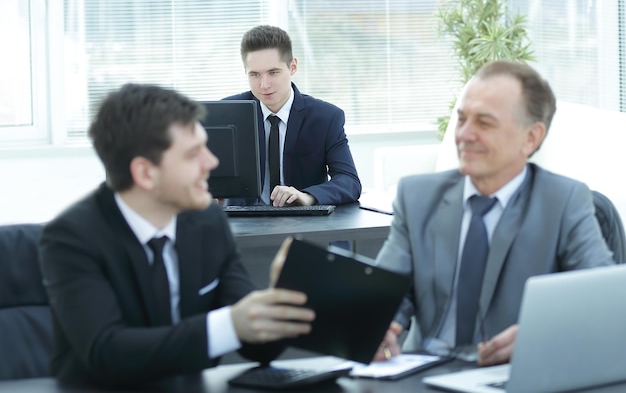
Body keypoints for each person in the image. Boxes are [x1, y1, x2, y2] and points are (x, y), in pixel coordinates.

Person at [39, 83, 315, 387]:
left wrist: (280, 301)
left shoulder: (207, 223)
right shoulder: (72, 238)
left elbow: (258, 348)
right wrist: (228, 325)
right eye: (192, 154)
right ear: (145, 173)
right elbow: (108, 351)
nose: (211, 162)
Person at [373, 61, 615, 366]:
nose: (464, 135)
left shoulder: (564, 201)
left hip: (514, 375)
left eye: (484, 123)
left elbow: (605, 302)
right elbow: (385, 292)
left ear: (531, 138)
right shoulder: (417, 196)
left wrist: (539, 335)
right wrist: (378, 327)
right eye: (462, 119)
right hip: (425, 372)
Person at [223, 24, 361, 207]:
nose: (264, 84)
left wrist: (307, 196)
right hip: (243, 226)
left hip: (302, 223)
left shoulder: (326, 117)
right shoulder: (228, 113)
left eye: (273, 72)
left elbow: (349, 181)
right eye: (255, 74)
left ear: (293, 66)